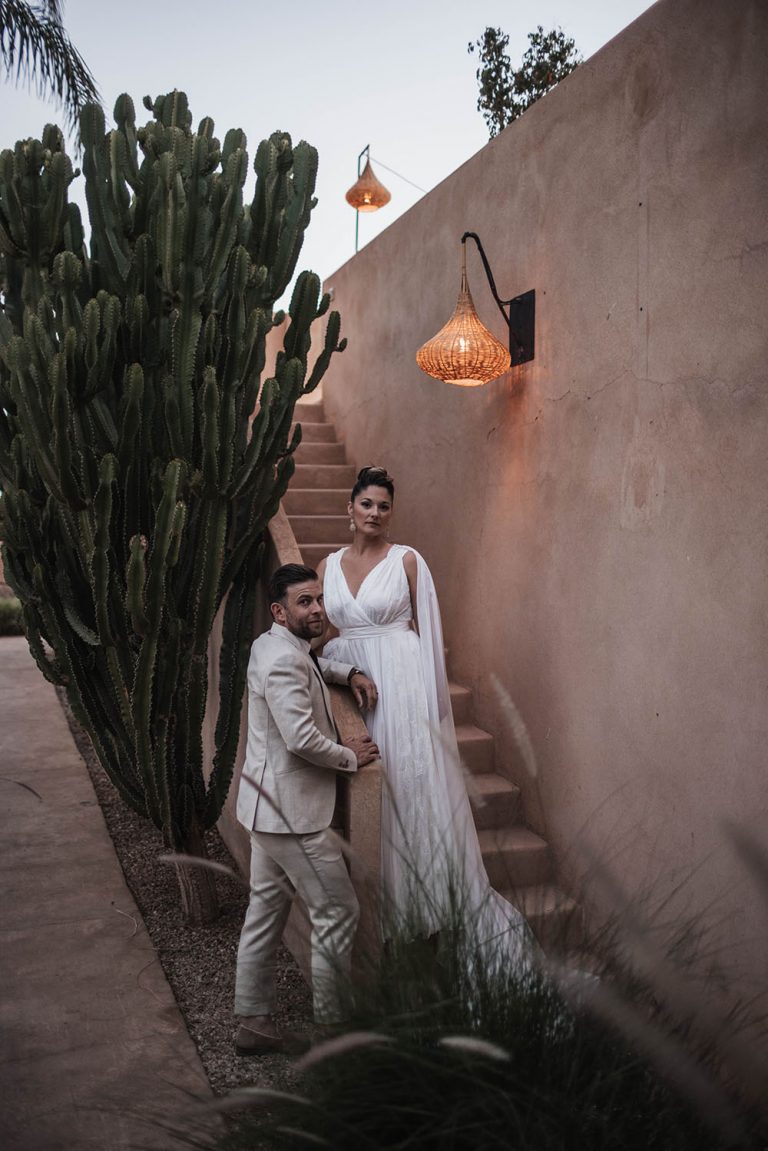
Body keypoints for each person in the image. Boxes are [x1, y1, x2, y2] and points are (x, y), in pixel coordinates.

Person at [318, 467, 532, 968]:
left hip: (403, 685)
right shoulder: (326, 566)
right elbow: (320, 640)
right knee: (373, 793)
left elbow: (429, 639)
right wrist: (343, 671)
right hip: (357, 687)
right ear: (349, 509)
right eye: (366, 504)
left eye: (384, 506)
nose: (374, 513)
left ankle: (427, 913)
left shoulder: (409, 561)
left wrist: (433, 717)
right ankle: (383, 916)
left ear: (392, 512)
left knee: (409, 788)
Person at [233, 563, 379, 1056]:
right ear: (279, 610)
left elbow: (311, 668)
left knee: (264, 912)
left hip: (265, 810)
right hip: (294, 815)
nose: (317, 609)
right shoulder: (283, 660)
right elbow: (299, 739)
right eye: (304, 602)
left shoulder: (272, 646)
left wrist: (348, 671)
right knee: (338, 911)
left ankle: (252, 1021)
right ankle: (333, 1034)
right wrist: (348, 757)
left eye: (318, 599)